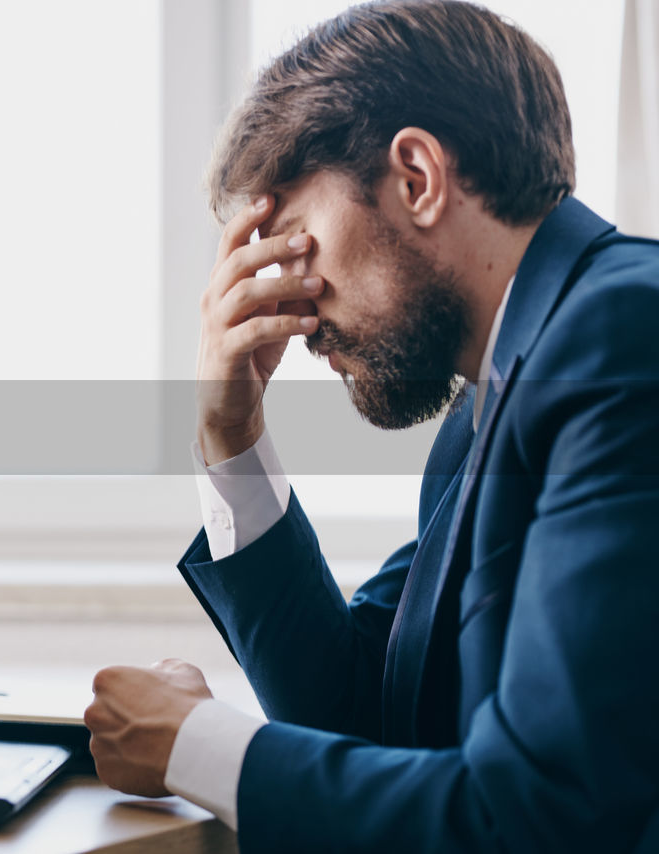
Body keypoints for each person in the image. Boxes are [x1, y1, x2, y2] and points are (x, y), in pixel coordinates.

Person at [82, 1, 659, 851]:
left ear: (418, 178)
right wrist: (230, 439)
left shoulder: (618, 341)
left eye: (296, 250)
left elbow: (542, 812)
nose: (295, 313)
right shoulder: (484, 410)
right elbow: (366, 708)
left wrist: (195, 744)